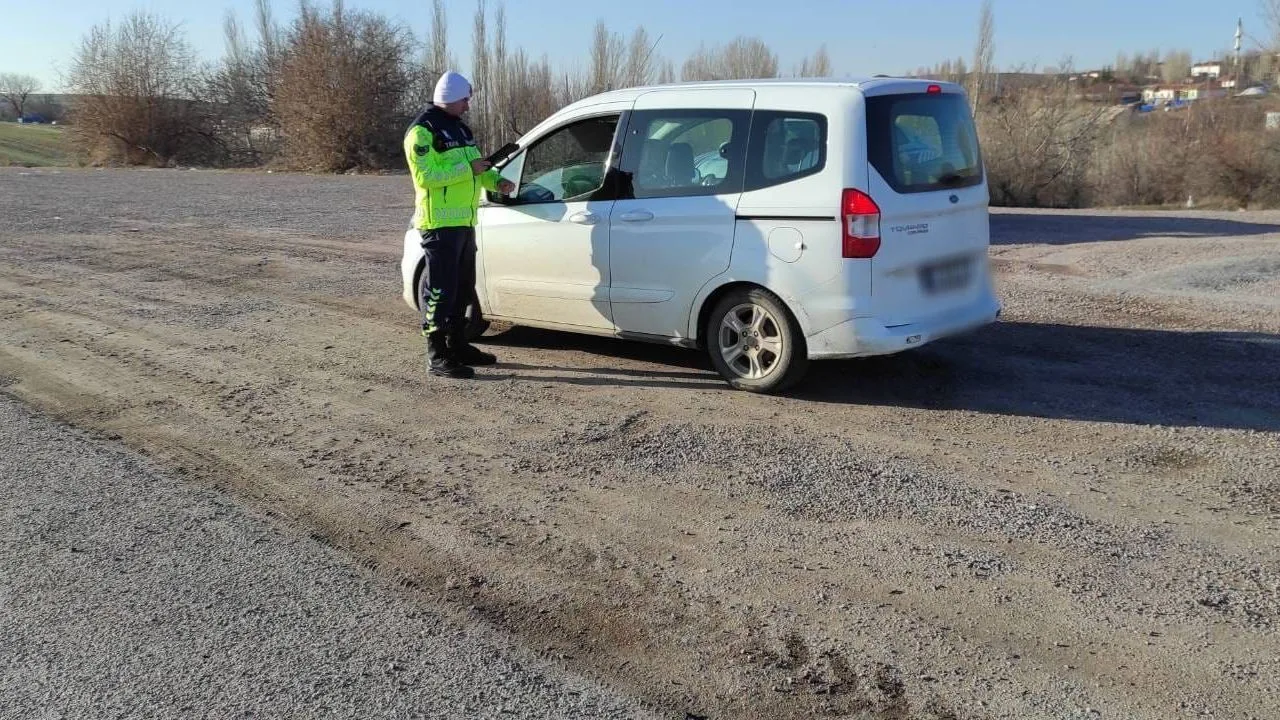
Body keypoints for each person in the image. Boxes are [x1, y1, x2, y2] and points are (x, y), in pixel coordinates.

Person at [404, 71, 516, 379]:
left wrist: (497, 181)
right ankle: (437, 354)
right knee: (439, 291)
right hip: (439, 225)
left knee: (463, 289)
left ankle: (458, 344)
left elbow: (478, 168)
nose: (468, 105)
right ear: (451, 97)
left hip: (465, 221)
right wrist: (467, 168)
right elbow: (425, 177)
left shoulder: (461, 129)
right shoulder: (422, 132)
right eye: (465, 100)